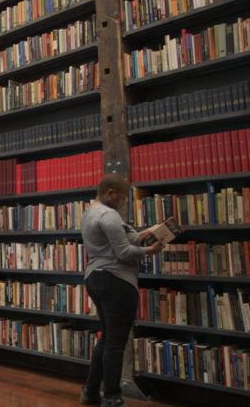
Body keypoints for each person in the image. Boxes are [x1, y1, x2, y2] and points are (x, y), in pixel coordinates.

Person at [79, 174, 164, 407]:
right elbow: (125, 252)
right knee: (116, 342)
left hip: (94, 277)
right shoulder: (109, 215)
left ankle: (90, 391)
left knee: (107, 338)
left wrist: (148, 232)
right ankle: (113, 397)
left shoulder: (89, 212)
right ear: (111, 193)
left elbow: (122, 239)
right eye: (122, 197)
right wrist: (150, 251)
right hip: (116, 280)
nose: (123, 202)